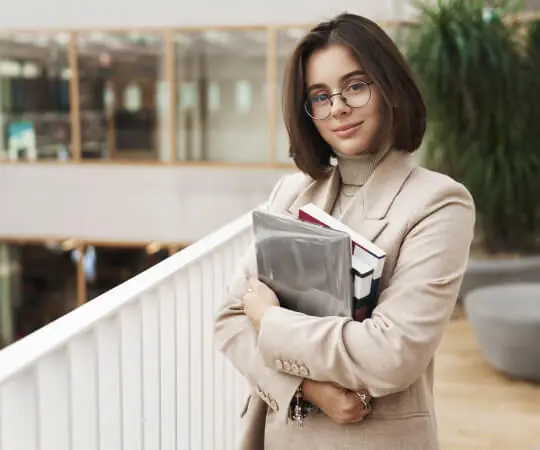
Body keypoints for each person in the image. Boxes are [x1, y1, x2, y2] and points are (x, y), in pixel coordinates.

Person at [214, 12, 475, 450]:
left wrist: (271, 320)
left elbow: (391, 353)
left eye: (355, 86)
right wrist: (306, 390)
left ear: (389, 87)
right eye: (319, 96)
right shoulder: (291, 193)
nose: (337, 107)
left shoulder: (438, 203)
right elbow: (229, 319)